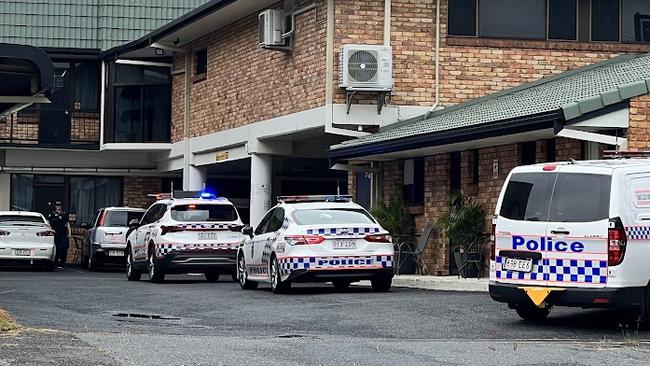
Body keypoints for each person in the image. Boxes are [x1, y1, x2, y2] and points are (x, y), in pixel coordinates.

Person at [48, 201, 71, 269]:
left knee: (65, 247)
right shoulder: (52, 214)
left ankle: (62, 263)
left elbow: (67, 223)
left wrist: (69, 232)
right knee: (56, 248)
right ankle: (55, 262)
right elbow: (48, 222)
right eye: (57, 206)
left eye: (59, 205)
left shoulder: (65, 214)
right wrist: (50, 229)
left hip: (63, 232)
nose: (58, 207)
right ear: (55, 206)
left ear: (61, 206)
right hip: (55, 232)